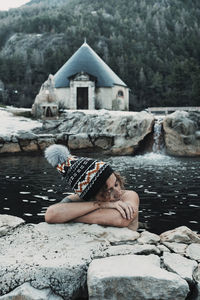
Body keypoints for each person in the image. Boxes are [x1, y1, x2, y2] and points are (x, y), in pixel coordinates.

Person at [44, 144, 139, 230]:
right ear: (92, 196)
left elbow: (121, 219)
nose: (118, 192)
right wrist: (100, 204)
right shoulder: (78, 198)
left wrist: (69, 217)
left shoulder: (128, 195)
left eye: (116, 184)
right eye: (109, 191)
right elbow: (51, 214)